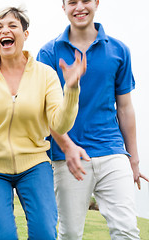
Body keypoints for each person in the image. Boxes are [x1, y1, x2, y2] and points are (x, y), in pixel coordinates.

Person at [0, 7, 86, 240]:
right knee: (2, 236)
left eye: (12, 26)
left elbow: (59, 124)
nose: (5, 31)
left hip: (34, 166)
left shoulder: (45, 74)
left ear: (25, 34)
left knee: (44, 233)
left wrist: (72, 89)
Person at [37, 0, 149, 239]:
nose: (79, 7)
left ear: (97, 2)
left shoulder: (119, 50)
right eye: (72, 2)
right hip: (68, 157)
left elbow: (125, 108)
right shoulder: (49, 53)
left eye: (85, 0)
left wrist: (134, 159)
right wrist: (67, 147)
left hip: (112, 151)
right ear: (63, 6)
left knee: (127, 230)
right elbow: (46, 111)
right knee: (69, 234)